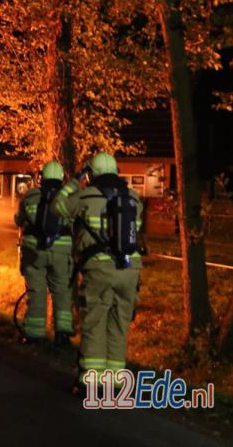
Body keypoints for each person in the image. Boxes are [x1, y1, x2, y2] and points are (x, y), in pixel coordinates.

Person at [52, 152, 144, 390]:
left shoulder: (85, 196)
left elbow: (58, 207)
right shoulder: (133, 198)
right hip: (130, 270)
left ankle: (90, 384)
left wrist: (74, 180)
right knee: (119, 325)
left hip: (99, 269)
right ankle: (115, 383)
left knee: (94, 324)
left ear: (90, 174)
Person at [14, 160, 74, 345]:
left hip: (35, 252)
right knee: (62, 293)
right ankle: (63, 334)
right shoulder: (69, 199)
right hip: (62, 253)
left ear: (42, 177)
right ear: (62, 178)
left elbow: (19, 220)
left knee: (37, 292)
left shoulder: (30, 196)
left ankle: (33, 335)